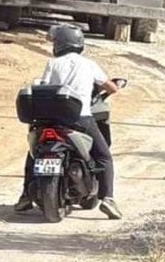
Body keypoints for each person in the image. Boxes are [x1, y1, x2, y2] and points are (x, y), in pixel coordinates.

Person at [14, 25, 122, 220]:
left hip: (50, 118)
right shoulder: (89, 64)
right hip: (80, 118)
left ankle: (24, 197)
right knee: (104, 155)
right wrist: (108, 87)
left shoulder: (53, 63)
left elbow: (46, 86)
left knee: (34, 153)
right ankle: (108, 199)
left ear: (60, 44)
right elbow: (112, 88)